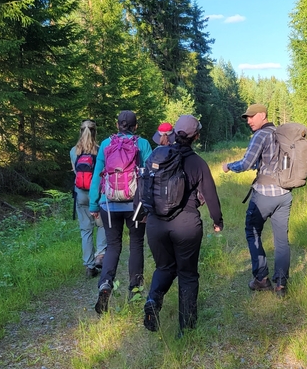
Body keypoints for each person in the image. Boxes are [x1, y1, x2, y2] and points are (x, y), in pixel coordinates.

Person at [143, 114, 223, 338]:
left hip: (156, 224)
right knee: (187, 274)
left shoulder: (158, 155)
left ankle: (153, 299)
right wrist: (217, 221)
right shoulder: (197, 162)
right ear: (196, 136)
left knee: (164, 267)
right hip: (186, 225)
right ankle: (185, 329)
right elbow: (211, 196)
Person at [222, 103, 292, 297]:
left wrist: (229, 166)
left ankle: (261, 279)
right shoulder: (280, 133)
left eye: (252, 116)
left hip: (264, 194)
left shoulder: (260, 135)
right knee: (282, 240)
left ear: (263, 115)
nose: (249, 120)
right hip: (285, 194)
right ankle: (281, 285)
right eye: (247, 118)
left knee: (252, 232)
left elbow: (246, 163)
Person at [89, 110, 152, 314]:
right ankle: (135, 289)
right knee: (136, 244)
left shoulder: (107, 145)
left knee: (113, 246)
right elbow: (151, 175)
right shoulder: (141, 144)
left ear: (117, 125)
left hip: (108, 204)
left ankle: (105, 284)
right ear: (135, 126)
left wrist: (93, 205)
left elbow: (97, 177)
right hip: (135, 206)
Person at [70, 119, 107, 278]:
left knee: (85, 230)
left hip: (80, 194)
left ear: (80, 131)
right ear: (95, 132)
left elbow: (75, 172)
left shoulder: (74, 151)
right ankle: (100, 254)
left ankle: (89, 266)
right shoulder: (100, 150)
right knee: (102, 225)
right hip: (96, 194)